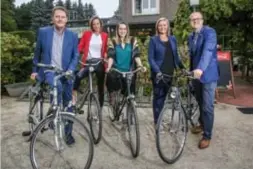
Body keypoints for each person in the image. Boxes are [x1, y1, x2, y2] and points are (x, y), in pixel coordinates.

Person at [28, 6, 79, 145]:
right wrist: (34, 70)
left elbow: (76, 55)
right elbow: (37, 53)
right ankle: (53, 116)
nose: (60, 19)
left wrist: (71, 69)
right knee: (57, 87)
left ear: (67, 19)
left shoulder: (73, 35)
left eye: (63, 17)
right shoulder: (43, 32)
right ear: (53, 18)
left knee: (69, 103)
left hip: (67, 72)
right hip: (49, 70)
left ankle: (68, 133)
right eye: (57, 16)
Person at [188, 12, 219, 149]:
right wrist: (191, 73)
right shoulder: (191, 36)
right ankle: (202, 124)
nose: (195, 21)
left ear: (202, 20)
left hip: (208, 75)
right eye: (192, 19)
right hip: (196, 76)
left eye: (197, 19)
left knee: (207, 106)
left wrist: (200, 69)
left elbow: (207, 51)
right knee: (200, 102)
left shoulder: (210, 32)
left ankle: (207, 135)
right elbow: (192, 56)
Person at [148, 17, 185, 126]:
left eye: (164, 25)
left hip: (170, 73)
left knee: (167, 99)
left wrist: (182, 67)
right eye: (160, 25)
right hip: (159, 74)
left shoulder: (172, 39)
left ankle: (162, 120)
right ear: (157, 27)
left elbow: (176, 56)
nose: (162, 27)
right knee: (158, 99)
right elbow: (151, 58)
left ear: (167, 26)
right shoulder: (153, 40)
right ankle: (157, 123)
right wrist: (157, 71)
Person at [106, 22, 145, 105]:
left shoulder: (132, 40)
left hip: (129, 71)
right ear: (117, 30)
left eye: (124, 29)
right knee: (110, 79)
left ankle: (130, 113)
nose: (122, 31)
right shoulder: (113, 41)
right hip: (117, 71)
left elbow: (136, 55)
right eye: (120, 29)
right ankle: (112, 96)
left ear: (127, 30)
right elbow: (111, 56)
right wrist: (109, 67)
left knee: (130, 95)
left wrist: (140, 65)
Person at [72, 16, 108, 108]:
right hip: (88, 62)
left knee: (101, 85)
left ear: (100, 24)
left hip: (99, 62)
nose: (96, 25)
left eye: (97, 23)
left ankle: (100, 106)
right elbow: (81, 46)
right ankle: (74, 94)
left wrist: (106, 56)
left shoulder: (104, 35)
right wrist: (75, 53)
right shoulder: (87, 34)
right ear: (91, 25)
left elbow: (106, 50)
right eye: (94, 24)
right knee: (79, 76)